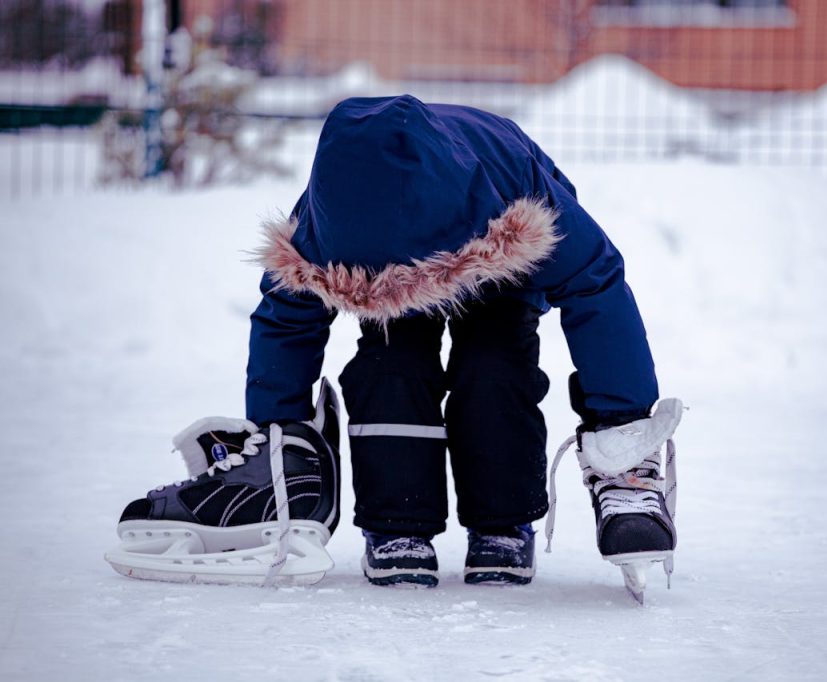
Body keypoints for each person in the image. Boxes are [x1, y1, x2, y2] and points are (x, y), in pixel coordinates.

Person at [106, 95, 682, 598]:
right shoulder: (323, 224)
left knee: (494, 362)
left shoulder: (520, 194)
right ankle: (397, 520)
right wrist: (282, 438)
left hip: (496, 257)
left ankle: (502, 524)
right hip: (383, 270)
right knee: (391, 364)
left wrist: (621, 427)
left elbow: (597, 288)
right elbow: (287, 320)